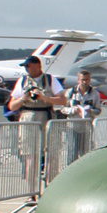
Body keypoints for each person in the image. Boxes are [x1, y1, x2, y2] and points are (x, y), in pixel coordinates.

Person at [8, 55, 66, 201]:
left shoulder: (50, 80)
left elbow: (63, 100)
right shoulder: (22, 81)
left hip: (47, 116)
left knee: (52, 154)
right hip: (28, 117)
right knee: (30, 156)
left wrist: (44, 98)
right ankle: (31, 192)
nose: (27, 69)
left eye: (29, 66)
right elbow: (11, 105)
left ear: (37, 66)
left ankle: (51, 189)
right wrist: (24, 98)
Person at [65, 70, 103, 162]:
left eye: (86, 80)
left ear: (90, 80)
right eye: (82, 80)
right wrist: (73, 110)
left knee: (85, 153)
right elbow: (63, 109)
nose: (84, 82)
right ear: (78, 80)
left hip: (86, 128)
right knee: (71, 151)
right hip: (72, 126)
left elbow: (98, 110)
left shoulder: (95, 94)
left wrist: (90, 111)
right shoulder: (71, 92)